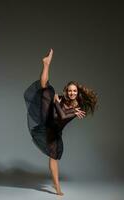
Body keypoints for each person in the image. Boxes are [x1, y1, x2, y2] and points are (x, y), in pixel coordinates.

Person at [24, 48, 98, 196]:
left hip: (54, 131)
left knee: (54, 157)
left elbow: (63, 116)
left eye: (74, 91)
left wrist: (56, 102)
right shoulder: (61, 97)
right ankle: (46, 64)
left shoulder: (78, 108)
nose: (72, 93)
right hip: (47, 119)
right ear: (66, 91)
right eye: (70, 91)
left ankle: (57, 187)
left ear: (77, 93)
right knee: (45, 89)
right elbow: (56, 108)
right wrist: (55, 100)